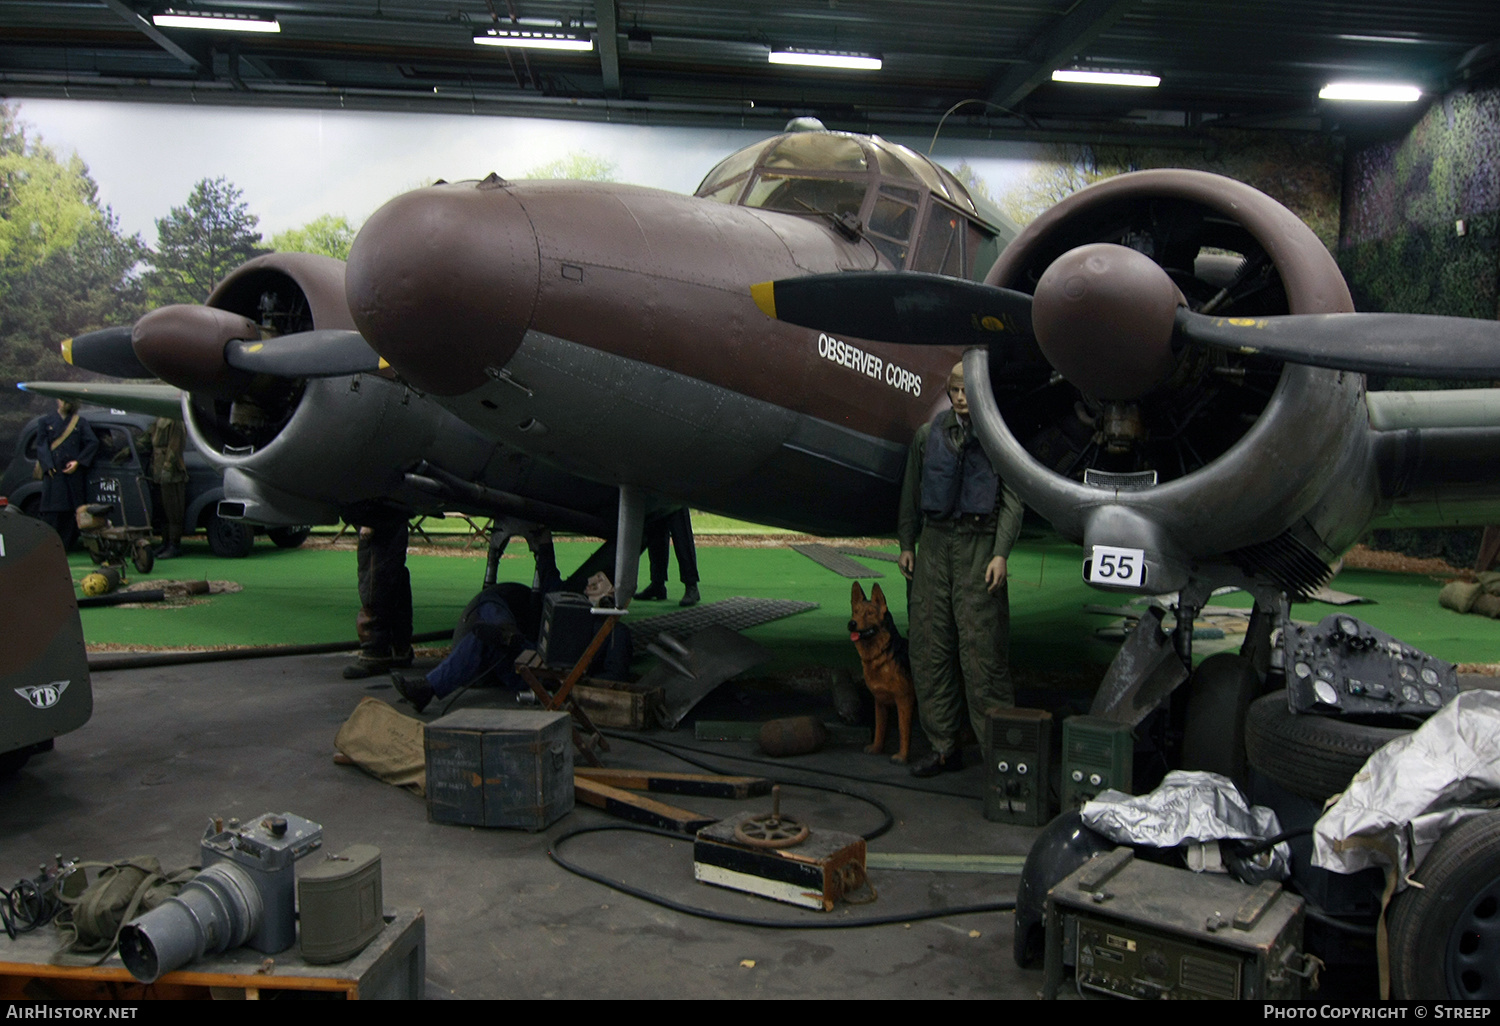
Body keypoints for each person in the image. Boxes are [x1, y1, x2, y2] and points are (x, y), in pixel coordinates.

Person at [897, 360, 1024, 778]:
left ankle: (998, 756)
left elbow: (1012, 500)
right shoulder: (926, 436)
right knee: (929, 646)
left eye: (968, 389)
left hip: (978, 545)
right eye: (955, 390)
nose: (961, 397)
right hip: (934, 544)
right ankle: (942, 746)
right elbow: (910, 494)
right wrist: (906, 545)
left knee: (982, 652)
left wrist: (1000, 552)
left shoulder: (999, 439)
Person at [343, 511, 414, 679]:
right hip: (394, 506)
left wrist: (369, 520)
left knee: (376, 572)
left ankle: (376, 650)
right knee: (393, 571)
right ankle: (399, 647)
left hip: (377, 507)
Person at [34, 400, 99, 547]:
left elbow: (92, 442)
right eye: (62, 400)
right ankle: (50, 544)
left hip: (72, 473)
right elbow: (41, 445)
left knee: (71, 510)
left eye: (68, 400)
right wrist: (48, 465)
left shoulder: (79, 422)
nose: (65, 403)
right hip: (54, 472)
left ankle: (67, 543)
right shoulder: (45, 421)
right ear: (57, 401)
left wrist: (79, 462)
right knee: (53, 510)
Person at [638, 506, 701, 606]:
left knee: (681, 533)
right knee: (655, 531)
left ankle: (691, 585)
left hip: (677, 493)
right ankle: (657, 584)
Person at [149, 417, 189, 559]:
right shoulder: (159, 417)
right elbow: (149, 437)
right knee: (163, 509)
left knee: (173, 510)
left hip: (172, 472)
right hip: (158, 468)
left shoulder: (175, 419)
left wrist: (168, 467)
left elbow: (175, 445)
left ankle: (174, 544)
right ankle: (165, 541)